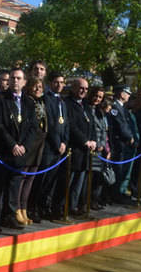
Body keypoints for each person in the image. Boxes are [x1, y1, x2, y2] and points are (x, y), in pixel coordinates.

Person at [0, 68, 36, 233]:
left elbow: (33, 127)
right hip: (3, 151)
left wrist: (24, 146)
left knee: (14, 187)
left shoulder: (29, 102)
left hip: (20, 153)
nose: (15, 81)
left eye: (19, 78)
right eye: (13, 78)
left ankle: (9, 217)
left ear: (24, 82)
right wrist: (12, 145)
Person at [31, 72, 68, 222]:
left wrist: (65, 141)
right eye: (56, 82)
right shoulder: (46, 99)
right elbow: (51, 124)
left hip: (60, 148)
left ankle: (44, 207)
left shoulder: (62, 102)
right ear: (51, 83)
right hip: (49, 147)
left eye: (61, 82)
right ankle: (34, 208)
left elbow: (65, 124)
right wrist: (57, 142)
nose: (59, 85)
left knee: (51, 182)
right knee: (41, 180)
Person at [56, 78, 96, 216]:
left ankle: (73, 206)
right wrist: (85, 141)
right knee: (68, 180)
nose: (83, 91)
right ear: (73, 88)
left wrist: (94, 140)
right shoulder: (67, 103)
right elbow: (71, 125)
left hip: (86, 151)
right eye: (81, 88)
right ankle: (61, 207)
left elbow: (92, 124)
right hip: (74, 149)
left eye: (86, 89)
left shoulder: (86, 105)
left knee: (80, 181)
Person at [20, 78, 47, 225]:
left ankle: (25, 208)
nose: (38, 89)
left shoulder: (41, 102)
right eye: (35, 86)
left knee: (31, 179)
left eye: (40, 86)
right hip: (29, 144)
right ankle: (18, 208)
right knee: (22, 177)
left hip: (40, 145)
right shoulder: (26, 101)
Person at [109, 86, 135, 203]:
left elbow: (127, 124)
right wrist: (129, 136)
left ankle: (118, 192)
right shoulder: (115, 107)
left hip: (124, 144)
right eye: (127, 93)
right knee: (117, 170)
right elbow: (120, 125)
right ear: (121, 94)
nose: (129, 96)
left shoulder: (123, 108)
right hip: (118, 142)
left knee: (122, 170)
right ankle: (114, 194)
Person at [86, 87, 109, 210]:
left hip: (101, 151)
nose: (97, 99)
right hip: (91, 150)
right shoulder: (87, 109)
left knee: (99, 178)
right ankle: (86, 202)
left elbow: (105, 132)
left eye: (100, 97)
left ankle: (94, 200)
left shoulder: (101, 112)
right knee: (90, 178)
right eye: (96, 96)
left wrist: (105, 148)